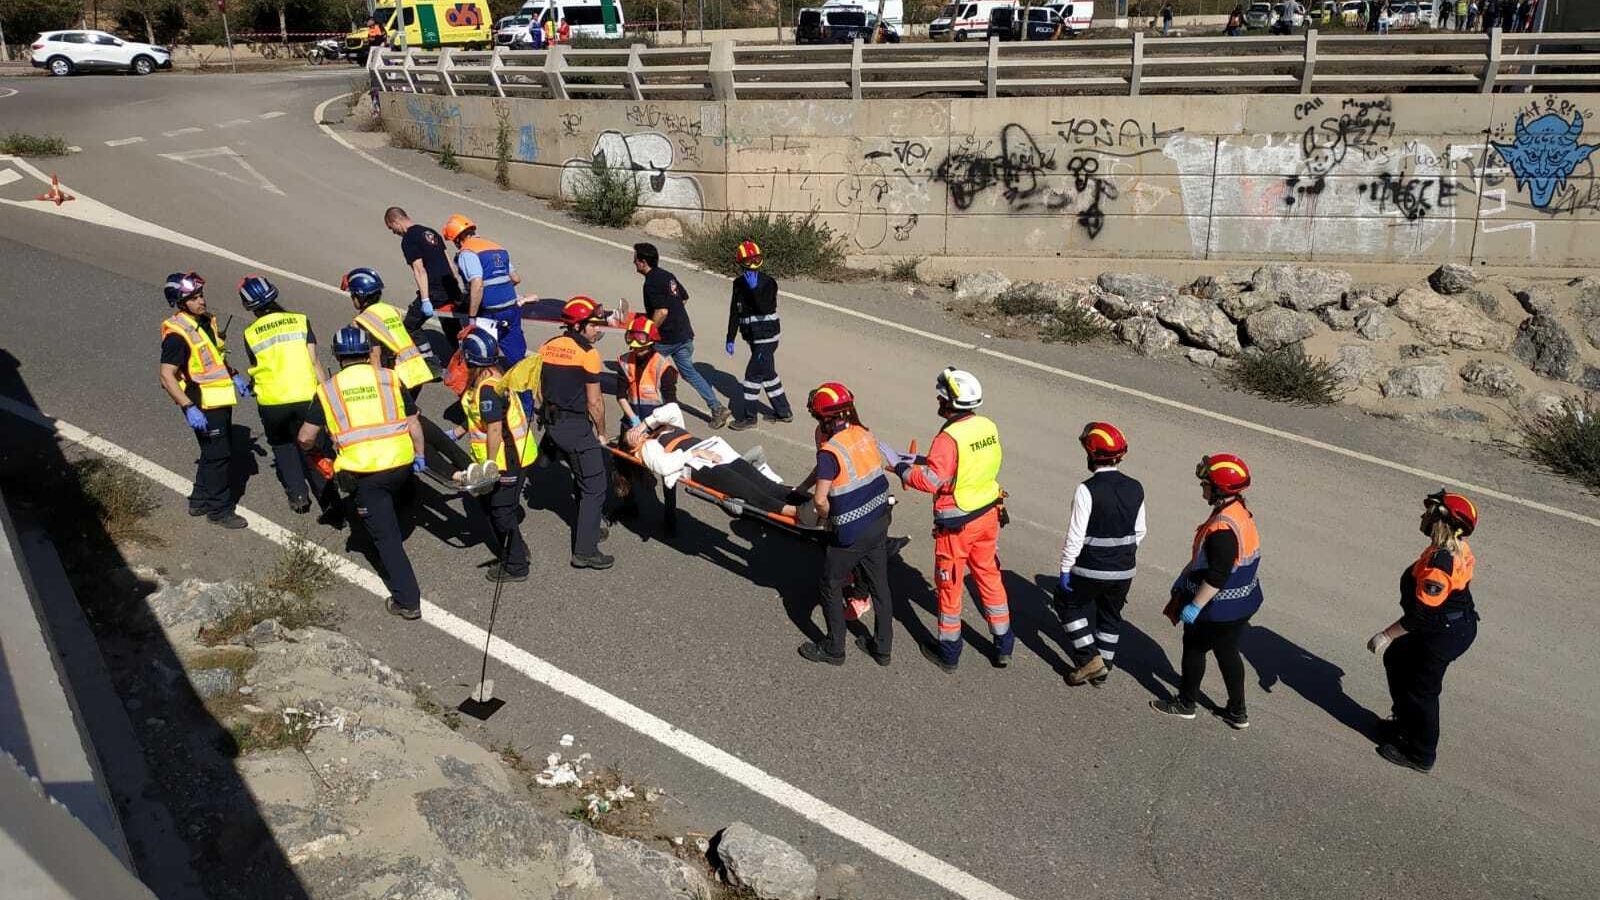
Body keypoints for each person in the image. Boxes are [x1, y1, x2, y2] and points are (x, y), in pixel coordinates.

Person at [297, 327, 427, 620]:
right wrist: (419, 455)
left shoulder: (328, 390)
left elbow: (306, 437)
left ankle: (408, 601)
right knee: (398, 496)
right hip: (401, 462)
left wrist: (312, 451)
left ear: (337, 355)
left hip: (367, 474)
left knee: (386, 540)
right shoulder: (390, 378)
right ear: (369, 352)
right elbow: (413, 423)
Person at [888, 368, 1011, 672]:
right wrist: (922, 460)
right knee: (989, 577)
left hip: (958, 525)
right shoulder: (986, 425)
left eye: (941, 397)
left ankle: (949, 651)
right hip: (988, 514)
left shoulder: (948, 437)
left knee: (949, 586)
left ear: (952, 402)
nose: (938, 401)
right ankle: (1004, 644)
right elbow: (967, 465)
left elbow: (932, 481)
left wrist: (901, 468)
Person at [1367, 491, 1480, 773]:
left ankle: (1420, 753)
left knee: (1422, 690)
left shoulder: (1441, 563)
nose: (1423, 516)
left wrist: (1386, 635)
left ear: (1442, 522)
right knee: (1396, 659)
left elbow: (1420, 616)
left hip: (1442, 633)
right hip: (1443, 625)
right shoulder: (1450, 547)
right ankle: (1404, 725)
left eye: (1429, 513)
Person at [1150, 454, 1263, 729]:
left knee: (1194, 648)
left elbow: (1217, 575)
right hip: (1242, 603)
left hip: (1218, 608)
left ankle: (1186, 703)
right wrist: (1184, 576)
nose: (1202, 487)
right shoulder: (1238, 511)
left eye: (1206, 484)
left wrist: (1195, 606)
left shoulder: (1223, 528)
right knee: (1227, 652)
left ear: (1220, 490)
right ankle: (1237, 712)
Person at [794, 382, 894, 667]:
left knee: (830, 584)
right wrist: (803, 487)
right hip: (880, 518)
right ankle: (882, 648)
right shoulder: (862, 433)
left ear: (823, 417)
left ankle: (834, 648)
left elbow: (820, 500)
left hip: (852, 532)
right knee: (880, 586)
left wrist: (826, 517)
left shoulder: (830, 450)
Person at [1055, 422, 1147, 688]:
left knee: (1066, 604)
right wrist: (1121, 554)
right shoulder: (1136, 487)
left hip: (1091, 566)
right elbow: (1140, 530)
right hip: (1125, 568)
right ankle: (1103, 669)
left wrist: (1065, 568)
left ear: (1091, 454)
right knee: (1110, 615)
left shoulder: (1086, 489)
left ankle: (1088, 659)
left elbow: (1076, 535)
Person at [237, 274, 334, 520]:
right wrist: (328, 398)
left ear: (249, 306)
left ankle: (298, 496)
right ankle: (329, 500)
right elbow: (314, 362)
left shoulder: (250, 333)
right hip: (305, 395)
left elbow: (257, 365)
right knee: (315, 447)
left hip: (272, 401)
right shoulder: (300, 321)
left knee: (283, 446)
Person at [158, 271, 246, 529]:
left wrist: (233, 375)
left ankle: (198, 500)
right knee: (220, 457)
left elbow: (213, 357)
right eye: (194, 298)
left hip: (219, 398)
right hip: (202, 403)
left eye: (201, 295)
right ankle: (219, 510)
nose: (201, 301)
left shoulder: (206, 321)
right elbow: (166, 376)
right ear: (180, 302)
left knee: (211, 452)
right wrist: (188, 407)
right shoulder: (177, 335)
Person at [452, 330, 535, 583]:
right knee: (490, 506)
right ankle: (516, 549)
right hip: (505, 456)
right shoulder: (486, 378)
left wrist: (489, 466)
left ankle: (517, 565)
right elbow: (477, 417)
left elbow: (495, 429)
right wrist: (455, 433)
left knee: (501, 512)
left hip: (505, 459)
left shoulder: (488, 389)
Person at [616, 402, 798, 517]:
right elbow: (664, 466)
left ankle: (806, 500)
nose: (634, 432)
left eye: (633, 430)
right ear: (631, 447)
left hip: (719, 453)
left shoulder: (663, 428)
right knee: (752, 492)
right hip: (700, 466)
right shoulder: (647, 447)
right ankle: (793, 512)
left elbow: (673, 409)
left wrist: (644, 424)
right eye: (630, 435)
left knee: (767, 485)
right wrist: (695, 454)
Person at [539, 296, 615, 570]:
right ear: (578, 326)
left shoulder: (548, 346)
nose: (597, 330)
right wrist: (602, 433)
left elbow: (539, 387)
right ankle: (585, 551)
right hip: (576, 427)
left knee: (580, 473)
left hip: (553, 423)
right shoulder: (588, 354)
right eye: (593, 325)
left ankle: (589, 526)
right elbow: (595, 402)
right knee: (595, 486)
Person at [634, 242, 731, 429]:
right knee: (689, 372)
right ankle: (717, 407)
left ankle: (647, 409)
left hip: (666, 339)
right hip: (684, 334)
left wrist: (648, 332)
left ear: (643, 262)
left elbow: (662, 311)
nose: (634, 263)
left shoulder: (651, 283)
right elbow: (684, 298)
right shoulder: (667, 276)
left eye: (636, 260)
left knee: (645, 368)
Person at [724, 240, 792, 431]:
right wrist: (730, 337)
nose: (753, 264)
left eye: (756, 259)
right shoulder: (738, 284)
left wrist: (755, 290)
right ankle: (784, 412)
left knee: (752, 376)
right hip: (752, 337)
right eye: (749, 260)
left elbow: (765, 308)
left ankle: (749, 417)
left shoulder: (768, 283)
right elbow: (735, 312)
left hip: (767, 337)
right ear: (741, 263)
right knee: (768, 375)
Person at [342, 266, 437, 403]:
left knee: (394, 411)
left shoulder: (365, 321)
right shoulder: (390, 310)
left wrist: (378, 387)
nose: (352, 298)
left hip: (400, 376)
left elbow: (375, 355)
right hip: (416, 369)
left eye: (353, 294)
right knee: (409, 409)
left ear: (360, 296)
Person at [442, 214, 526, 367]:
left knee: (482, 351)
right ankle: (520, 379)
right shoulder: (497, 248)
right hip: (511, 307)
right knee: (516, 354)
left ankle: (487, 379)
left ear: (458, 238)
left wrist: (472, 317)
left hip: (490, 312)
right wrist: (500, 291)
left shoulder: (467, 252)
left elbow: (477, 284)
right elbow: (515, 278)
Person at [385, 206, 463, 353]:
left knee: (410, 327)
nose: (394, 232)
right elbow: (449, 263)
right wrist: (456, 288)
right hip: (450, 289)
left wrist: (426, 299)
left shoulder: (409, 239)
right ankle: (462, 360)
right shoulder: (431, 232)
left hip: (434, 291)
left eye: (391, 228)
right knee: (453, 329)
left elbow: (419, 270)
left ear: (395, 221)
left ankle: (429, 360)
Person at [616, 313, 679, 427]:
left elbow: (671, 404)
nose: (637, 350)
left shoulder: (663, 367)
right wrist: (633, 418)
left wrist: (648, 425)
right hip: (632, 421)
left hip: (657, 425)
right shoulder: (625, 362)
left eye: (641, 348)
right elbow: (621, 395)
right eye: (635, 348)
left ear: (652, 343)